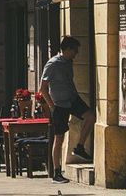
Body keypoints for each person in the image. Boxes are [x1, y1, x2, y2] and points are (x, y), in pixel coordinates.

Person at [41, 35, 96, 184]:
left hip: (72, 99)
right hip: (59, 104)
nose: (76, 54)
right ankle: (57, 173)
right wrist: (52, 106)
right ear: (67, 49)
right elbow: (43, 88)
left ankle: (79, 147)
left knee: (90, 116)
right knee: (59, 138)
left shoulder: (68, 62)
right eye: (75, 50)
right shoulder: (52, 64)